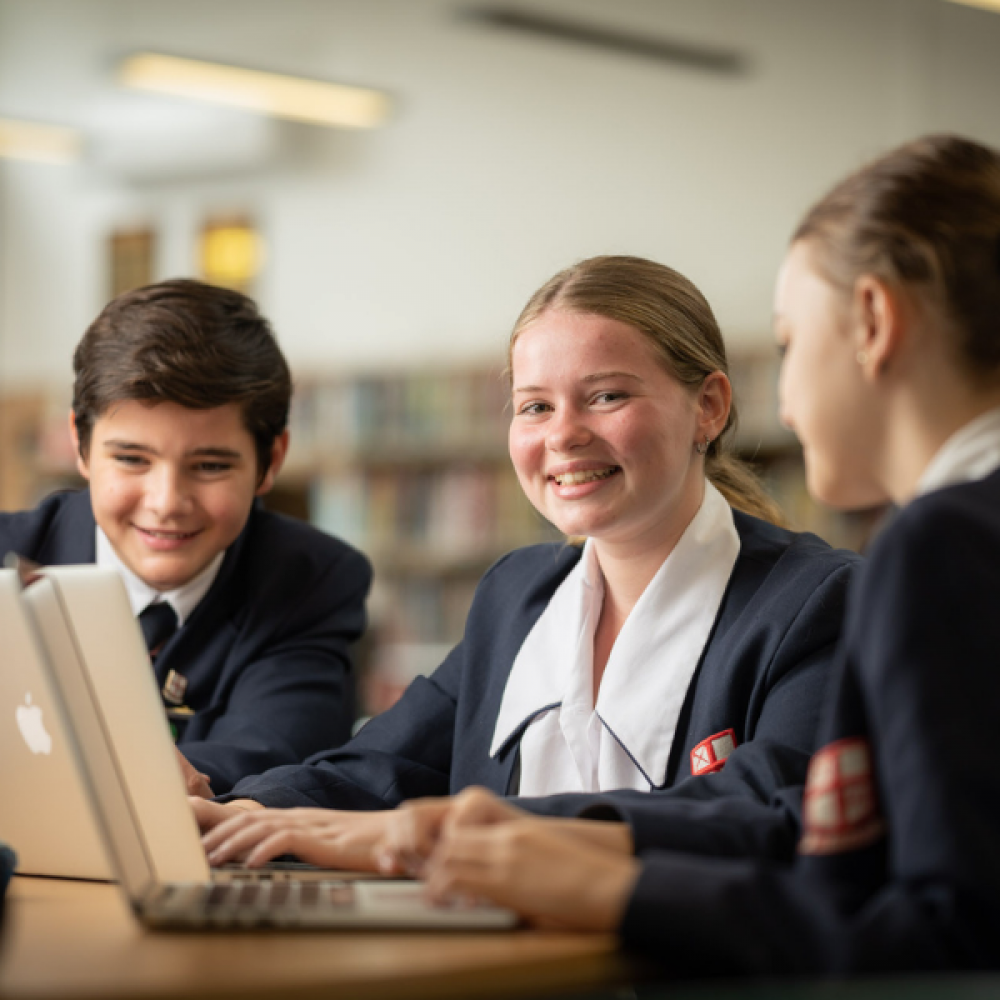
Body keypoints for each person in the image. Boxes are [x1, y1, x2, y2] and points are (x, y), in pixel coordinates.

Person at [378, 135, 1000, 976]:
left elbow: (938, 923)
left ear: (874, 321)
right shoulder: (518, 593)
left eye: (788, 343)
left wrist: (610, 887)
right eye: (532, 406)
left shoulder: (939, 546)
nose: (783, 398)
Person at [195, 255, 859, 871]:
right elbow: (380, 767)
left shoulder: (816, 601)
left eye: (606, 396)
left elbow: (762, 812)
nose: (563, 434)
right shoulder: (517, 594)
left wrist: (452, 829)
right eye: (535, 406)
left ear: (708, 407)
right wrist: (244, 812)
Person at [0, 279, 371, 796]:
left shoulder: (312, 579)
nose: (167, 501)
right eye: (131, 459)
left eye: (210, 465)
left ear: (272, 461)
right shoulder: (6, 557)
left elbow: (276, 752)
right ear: (80, 447)